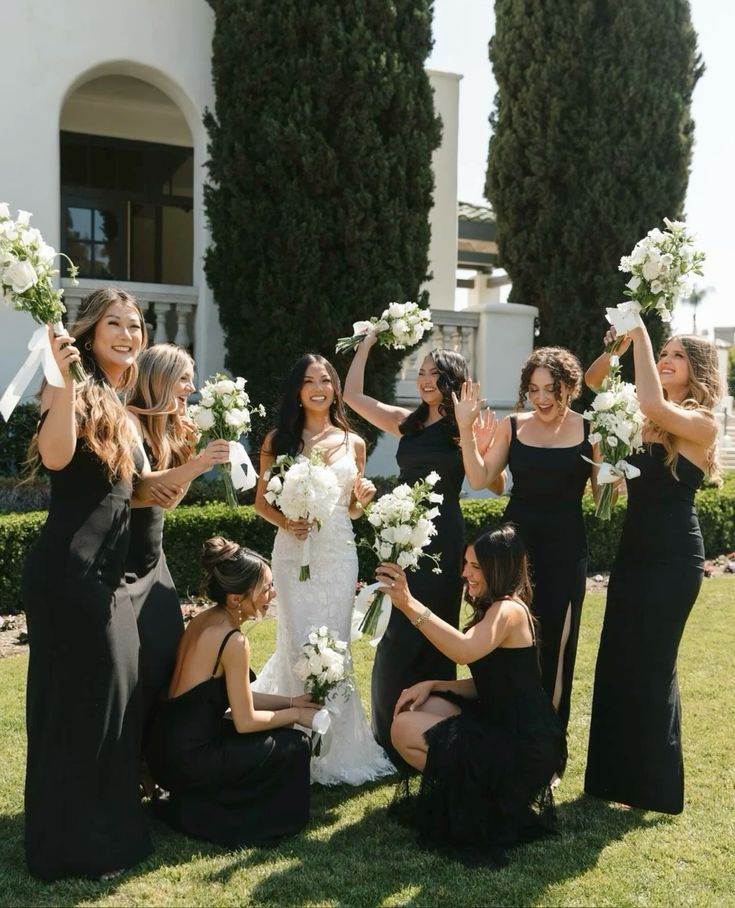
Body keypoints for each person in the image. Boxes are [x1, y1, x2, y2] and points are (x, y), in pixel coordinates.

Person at [22, 288, 152, 881]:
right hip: (72, 571)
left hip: (110, 569)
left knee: (114, 694)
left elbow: (128, 492)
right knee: (81, 704)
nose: (128, 334)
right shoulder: (70, 383)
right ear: (91, 333)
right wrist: (62, 376)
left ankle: (110, 831)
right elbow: (55, 457)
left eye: (135, 324)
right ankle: (73, 847)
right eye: (115, 325)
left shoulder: (121, 401)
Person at [584, 323, 721, 814]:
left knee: (652, 666)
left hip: (673, 559)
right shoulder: (642, 421)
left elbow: (652, 402)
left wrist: (640, 335)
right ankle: (608, 780)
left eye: (676, 356)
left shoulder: (703, 423)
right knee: (618, 660)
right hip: (633, 554)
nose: (665, 360)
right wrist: (614, 345)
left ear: (698, 371)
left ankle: (656, 790)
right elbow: (594, 382)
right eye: (662, 352)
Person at [382, 524, 567, 866]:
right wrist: (435, 685)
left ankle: (485, 799)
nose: (465, 572)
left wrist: (408, 604)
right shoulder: (496, 606)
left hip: (523, 746)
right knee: (421, 708)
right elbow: (490, 683)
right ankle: (477, 793)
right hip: (498, 722)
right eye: (466, 563)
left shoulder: (509, 610)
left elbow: (464, 651)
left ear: (500, 569)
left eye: (476, 566)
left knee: (402, 729)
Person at [253, 354, 394, 784]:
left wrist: (362, 498)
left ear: (334, 389)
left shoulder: (354, 442)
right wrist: (287, 522)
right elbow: (261, 504)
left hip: (337, 551)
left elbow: (349, 510)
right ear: (297, 389)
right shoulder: (278, 440)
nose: (319, 387)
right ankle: (296, 738)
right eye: (310, 380)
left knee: (335, 643)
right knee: (298, 639)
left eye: (326, 380)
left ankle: (337, 747)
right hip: (293, 551)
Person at [453, 347, 600, 729]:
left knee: (557, 645)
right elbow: (480, 478)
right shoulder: (513, 425)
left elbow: (605, 499)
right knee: (506, 639)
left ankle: (550, 743)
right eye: (533, 389)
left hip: (565, 549)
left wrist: (616, 457)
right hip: (512, 552)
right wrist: (467, 431)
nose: (541, 398)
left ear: (569, 387)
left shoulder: (591, 430)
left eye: (550, 388)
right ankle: (501, 727)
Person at [344, 336, 472, 765]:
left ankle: (435, 729)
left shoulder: (462, 429)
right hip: (402, 534)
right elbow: (353, 396)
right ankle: (388, 736)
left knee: (436, 628)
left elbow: (485, 476)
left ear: (453, 380)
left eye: (434, 373)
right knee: (397, 632)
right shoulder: (409, 423)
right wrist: (367, 343)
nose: (425, 380)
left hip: (444, 536)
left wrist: (470, 428)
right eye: (420, 372)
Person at [148, 537, 316, 846]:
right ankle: (226, 817)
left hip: (163, 751)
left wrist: (291, 701)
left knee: (278, 731)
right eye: (265, 588)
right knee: (295, 745)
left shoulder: (204, 619)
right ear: (237, 598)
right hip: (189, 760)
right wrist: (297, 714)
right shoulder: (233, 641)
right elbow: (245, 720)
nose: (272, 594)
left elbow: (225, 697)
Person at [125, 344, 231, 752]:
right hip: (124, 559)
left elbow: (169, 498)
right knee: (139, 662)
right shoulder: (130, 421)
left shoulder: (167, 427)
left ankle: (155, 756)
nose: (192, 387)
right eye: (184, 378)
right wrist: (199, 463)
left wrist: (188, 454)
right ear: (161, 378)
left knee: (167, 653)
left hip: (154, 559)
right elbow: (137, 490)